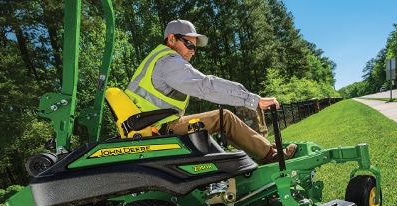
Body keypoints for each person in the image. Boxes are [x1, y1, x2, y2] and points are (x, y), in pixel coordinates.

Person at [125, 19, 297, 164]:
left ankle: (264, 148)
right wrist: (254, 100)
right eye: (188, 44)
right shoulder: (168, 62)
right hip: (159, 130)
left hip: (152, 128)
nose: (192, 51)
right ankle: (271, 155)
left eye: (194, 47)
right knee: (224, 118)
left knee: (223, 117)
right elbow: (206, 86)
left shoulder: (156, 58)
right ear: (171, 39)